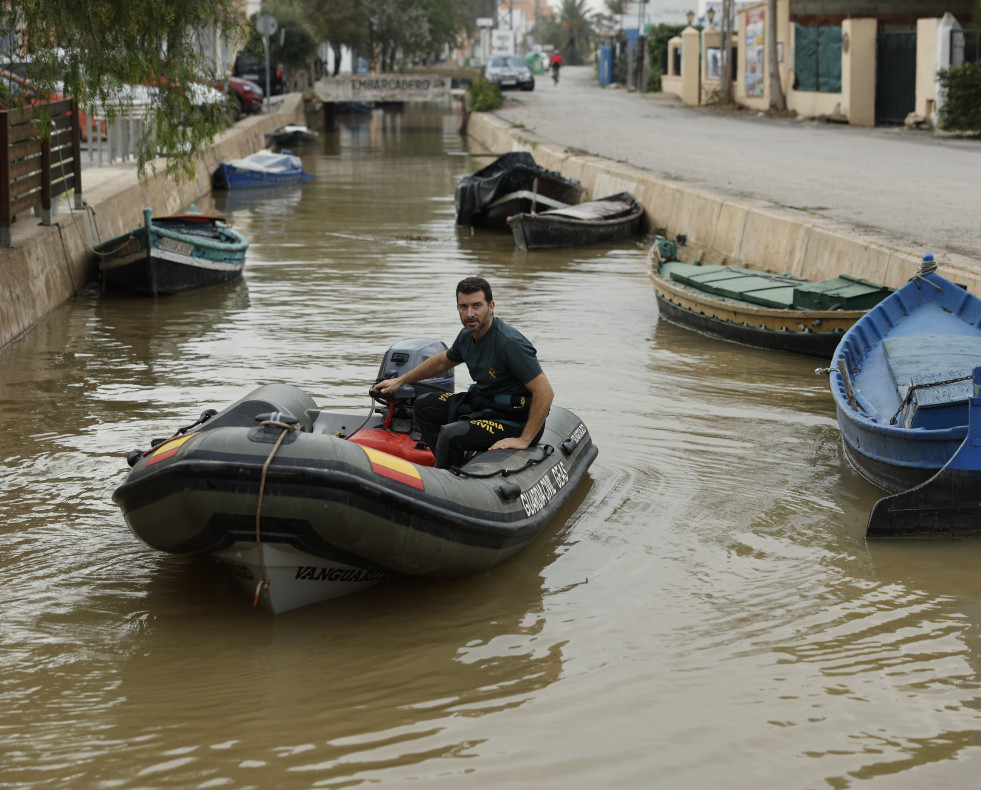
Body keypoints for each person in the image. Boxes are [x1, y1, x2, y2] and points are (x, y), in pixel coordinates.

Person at [373, 276, 554, 469]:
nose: (470, 314)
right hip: (485, 404)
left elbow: (545, 393)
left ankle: (448, 478)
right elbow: (442, 361)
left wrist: (525, 439)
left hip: (515, 419)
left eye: (477, 306)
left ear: (491, 306)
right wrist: (401, 380)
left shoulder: (509, 343)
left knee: (452, 434)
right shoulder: (467, 336)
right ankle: (450, 466)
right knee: (424, 405)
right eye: (463, 307)